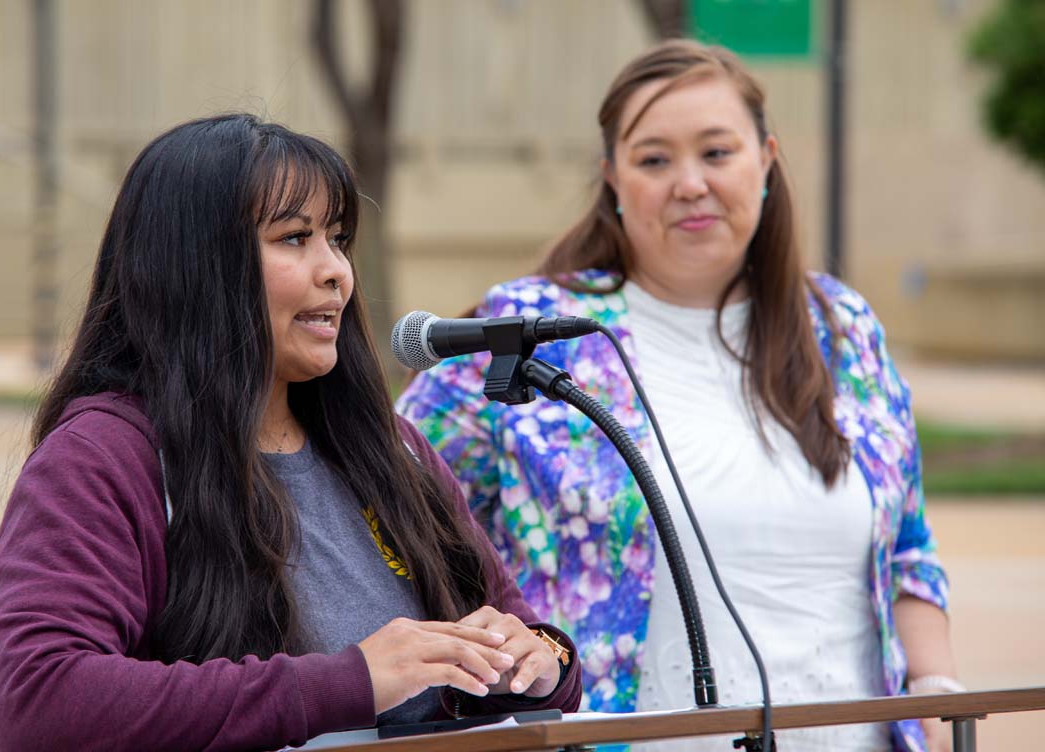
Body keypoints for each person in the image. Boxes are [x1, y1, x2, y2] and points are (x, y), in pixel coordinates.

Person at [395, 40, 957, 752]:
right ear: (613, 181)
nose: (689, 183)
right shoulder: (534, 333)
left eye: (717, 153)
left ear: (766, 162)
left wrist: (936, 693)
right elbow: (390, 500)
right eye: (655, 159)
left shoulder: (843, 328)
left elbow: (909, 549)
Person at [0, 114, 581, 752]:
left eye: (339, 238)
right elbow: (39, 698)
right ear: (195, 266)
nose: (337, 272)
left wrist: (541, 663)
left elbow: (512, 625)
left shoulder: (393, 446)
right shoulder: (102, 458)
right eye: (295, 238)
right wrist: (349, 682)